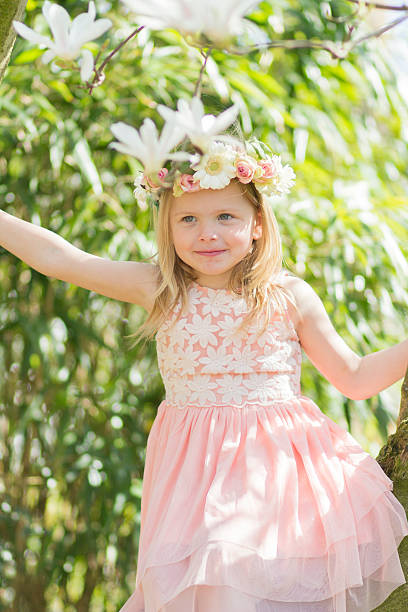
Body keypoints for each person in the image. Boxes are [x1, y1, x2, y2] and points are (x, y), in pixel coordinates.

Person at [1, 127, 407, 612]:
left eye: (225, 217)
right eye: (188, 219)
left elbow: (356, 377)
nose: (206, 233)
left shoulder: (287, 295)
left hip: (274, 472)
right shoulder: (161, 288)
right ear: (167, 228)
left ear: (258, 222)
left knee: (235, 574)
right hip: (191, 475)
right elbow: (60, 258)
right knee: (206, 588)